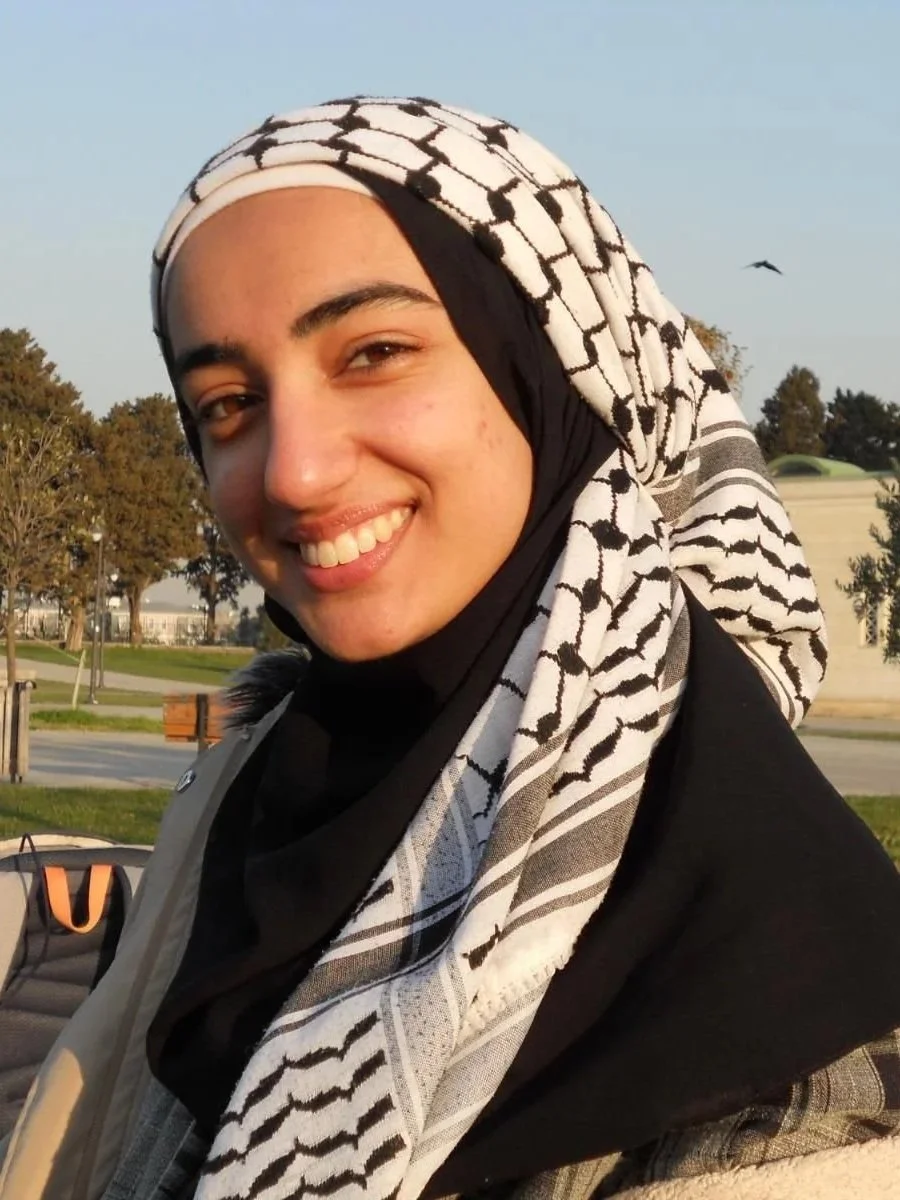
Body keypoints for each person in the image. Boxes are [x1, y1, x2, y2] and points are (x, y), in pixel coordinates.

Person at [3, 98, 900, 1200]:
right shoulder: (251, 799)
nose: (293, 472)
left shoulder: (786, 1031)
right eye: (228, 403)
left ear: (553, 372)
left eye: (375, 352)